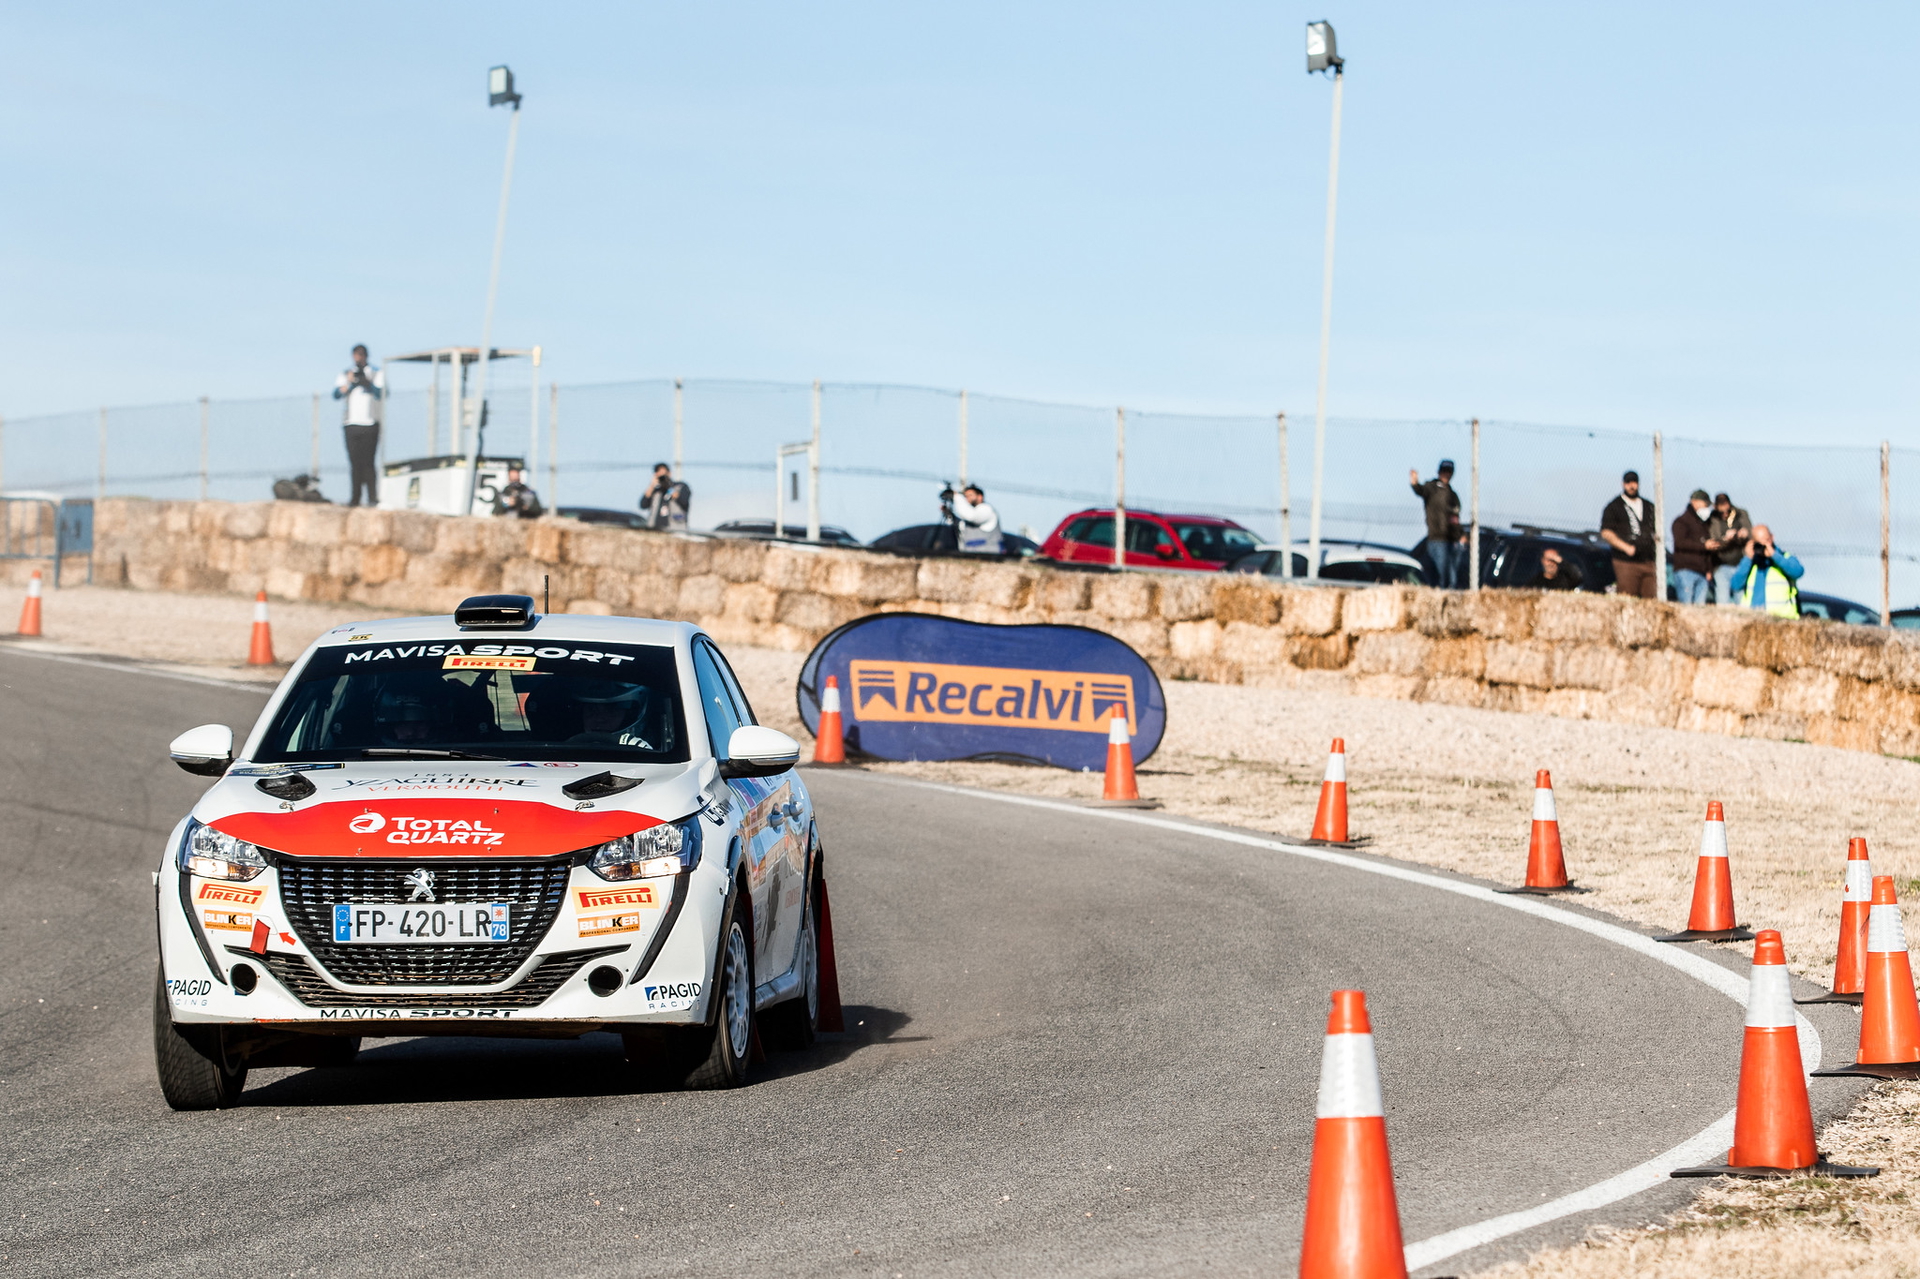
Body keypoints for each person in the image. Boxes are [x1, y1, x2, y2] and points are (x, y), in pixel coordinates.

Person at [332, 344, 385, 507]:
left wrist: (367, 382)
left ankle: (372, 497)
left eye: (361, 355)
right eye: (356, 355)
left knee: (369, 463)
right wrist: (350, 382)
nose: (358, 359)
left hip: (370, 423)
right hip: (351, 424)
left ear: (366, 356)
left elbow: (381, 393)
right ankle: (355, 498)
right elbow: (336, 394)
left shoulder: (376, 372)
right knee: (354, 463)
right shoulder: (346, 373)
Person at [1599, 470, 1658, 599]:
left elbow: (1656, 530)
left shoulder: (1649, 506)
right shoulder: (1614, 507)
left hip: (1648, 560)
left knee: (1651, 600)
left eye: (1634, 482)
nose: (1631, 486)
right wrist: (1626, 547)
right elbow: (1606, 532)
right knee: (1628, 598)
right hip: (1626, 562)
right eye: (1628, 483)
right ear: (1623, 484)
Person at [1409, 460, 1465, 589]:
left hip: (1452, 540)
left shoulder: (1452, 494)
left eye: (1449, 472)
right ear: (1439, 472)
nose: (1446, 474)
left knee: (1452, 576)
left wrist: (1461, 535)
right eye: (1444, 471)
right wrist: (1414, 482)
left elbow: (1455, 517)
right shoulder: (1432, 488)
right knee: (1442, 574)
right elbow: (1420, 490)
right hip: (1437, 538)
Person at [1729, 524, 1803, 617]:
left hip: (1782, 618)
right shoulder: (1750, 562)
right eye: (1759, 543)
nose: (1763, 545)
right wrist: (1748, 558)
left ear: (1772, 537)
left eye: (1766, 540)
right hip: (1753, 618)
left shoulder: (1784, 557)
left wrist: (1774, 555)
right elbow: (1735, 585)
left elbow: (1797, 572)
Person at [1707, 492, 1752, 606]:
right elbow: (1713, 541)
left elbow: (1752, 533)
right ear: (1716, 507)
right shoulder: (1712, 519)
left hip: (1740, 563)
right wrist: (1725, 539)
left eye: (1727, 509)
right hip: (1721, 564)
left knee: (1741, 598)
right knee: (1722, 599)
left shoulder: (1741, 514)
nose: (1725, 513)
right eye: (1722, 510)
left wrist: (1744, 534)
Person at [1669, 489, 1714, 605]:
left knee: (1700, 609)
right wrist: (1703, 546)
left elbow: (1707, 551)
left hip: (1702, 572)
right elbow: (1680, 543)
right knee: (1686, 607)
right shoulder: (1681, 522)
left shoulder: (1705, 524)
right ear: (1695, 502)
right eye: (1706, 505)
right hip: (1686, 570)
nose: (1707, 508)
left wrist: (1708, 569)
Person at [948, 483, 1003, 554]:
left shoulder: (986, 509)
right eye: (965, 496)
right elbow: (960, 526)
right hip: (970, 555)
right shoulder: (971, 513)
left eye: (970, 495)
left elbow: (971, 516)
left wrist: (957, 497)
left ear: (980, 497)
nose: (967, 498)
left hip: (989, 556)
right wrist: (950, 515)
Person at [640, 463, 691, 531]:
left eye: (664, 474)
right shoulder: (656, 491)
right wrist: (652, 485)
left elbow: (684, 502)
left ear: (669, 473)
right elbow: (643, 504)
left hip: (675, 528)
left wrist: (668, 487)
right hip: (655, 529)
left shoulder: (680, 486)